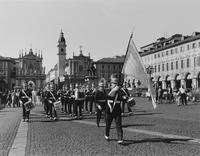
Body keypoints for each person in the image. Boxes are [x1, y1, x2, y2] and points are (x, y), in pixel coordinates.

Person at [105, 74, 126, 144]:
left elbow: (124, 97)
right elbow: (108, 96)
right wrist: (114, 90)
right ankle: (107, 134)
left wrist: (126, 98)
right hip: (109, 110)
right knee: (108, 124)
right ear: (110, 83)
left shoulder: (120, 90)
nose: (115, 84)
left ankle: (120, 138)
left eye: (116, 82)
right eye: (114, 82)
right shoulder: (107, 90)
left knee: (118, 124)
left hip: (117, 110)